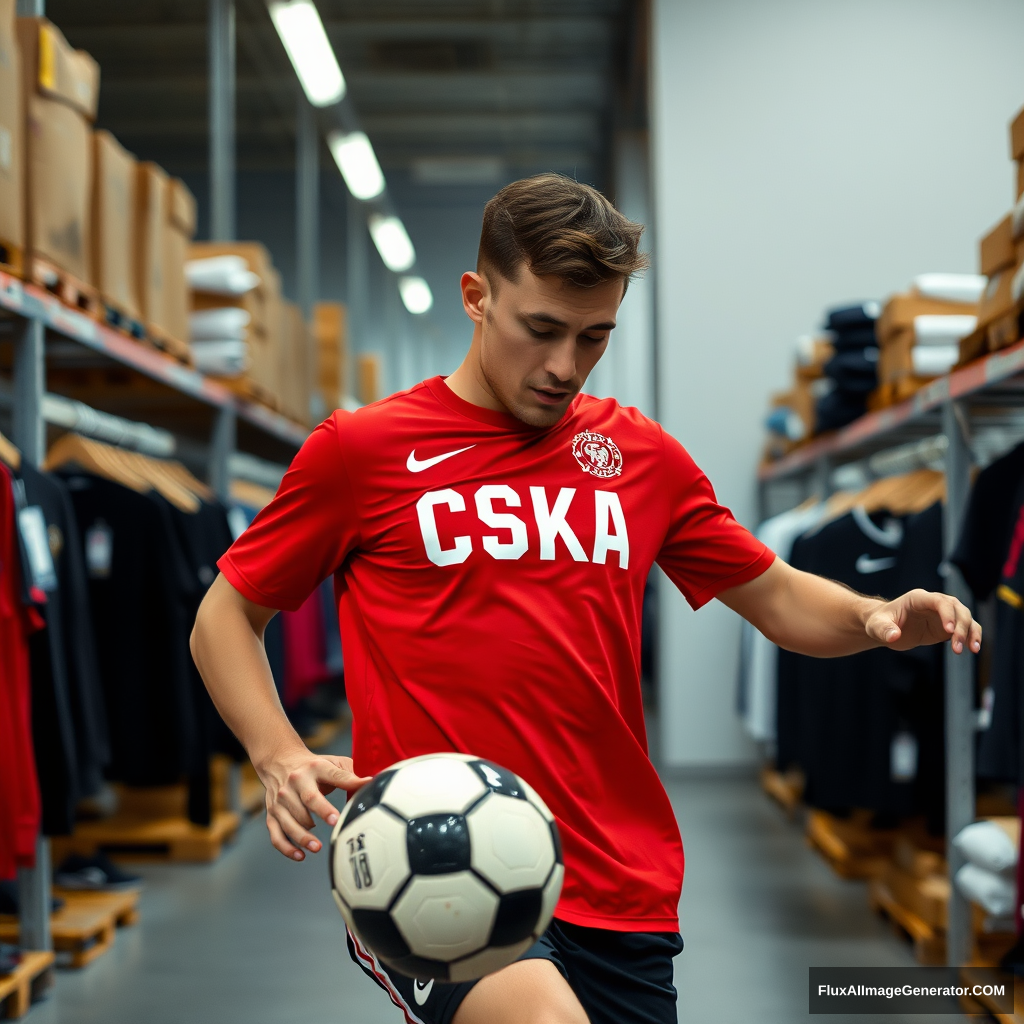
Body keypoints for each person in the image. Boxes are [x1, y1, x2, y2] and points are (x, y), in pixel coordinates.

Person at [190, 173, 981, 1024]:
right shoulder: (364, 451)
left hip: (615, 872)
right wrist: (276, 754)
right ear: (477, 297)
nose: (565, 365)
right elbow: (225, 615)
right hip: (436, 860)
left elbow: (778, 597)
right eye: (542, 330)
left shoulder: (639, 456)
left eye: (594, 337)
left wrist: (873, 617)